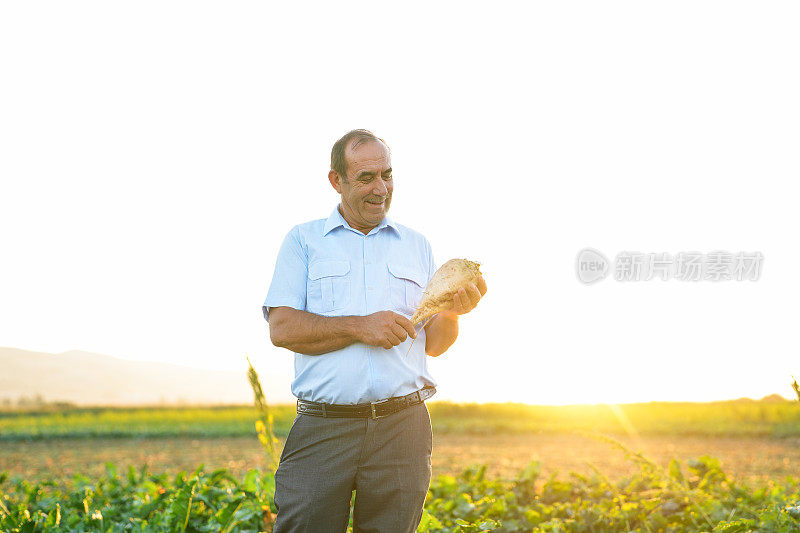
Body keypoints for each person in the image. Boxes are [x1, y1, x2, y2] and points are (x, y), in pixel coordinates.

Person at [262, 129, 487, 532]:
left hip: (404, 427)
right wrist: (361, 327)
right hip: (324, 427)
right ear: (337, 181)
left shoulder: (416, 244)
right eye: (366, 177)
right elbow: (282, 328)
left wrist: (453, 314)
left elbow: (433, 344)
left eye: (387, 175)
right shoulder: (304, 241)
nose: (381, 188)